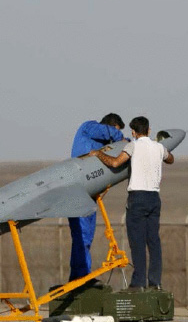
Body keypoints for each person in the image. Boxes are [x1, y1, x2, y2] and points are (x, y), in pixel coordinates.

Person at [98, 116, 174, 290]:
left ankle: (138, 282)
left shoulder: (132, 145)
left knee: (137, 242)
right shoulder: (159, 147)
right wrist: (161, 153)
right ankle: (155, 282)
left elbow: (116, 162)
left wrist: (99, 154)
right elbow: (171, 159)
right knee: (153, 241)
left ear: (133, 132)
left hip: (137, 198)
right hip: (154, 198)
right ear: (149, 130)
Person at [68, 113, 126, 281]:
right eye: (116, 129)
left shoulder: (103, 147)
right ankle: (80, 277)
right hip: (77, 193)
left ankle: (82, 275)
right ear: (110, 125)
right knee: (81, 236)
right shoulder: (88, 127)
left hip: (90, 195)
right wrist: (121, 138)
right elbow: (110, 133)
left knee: (86, 237)